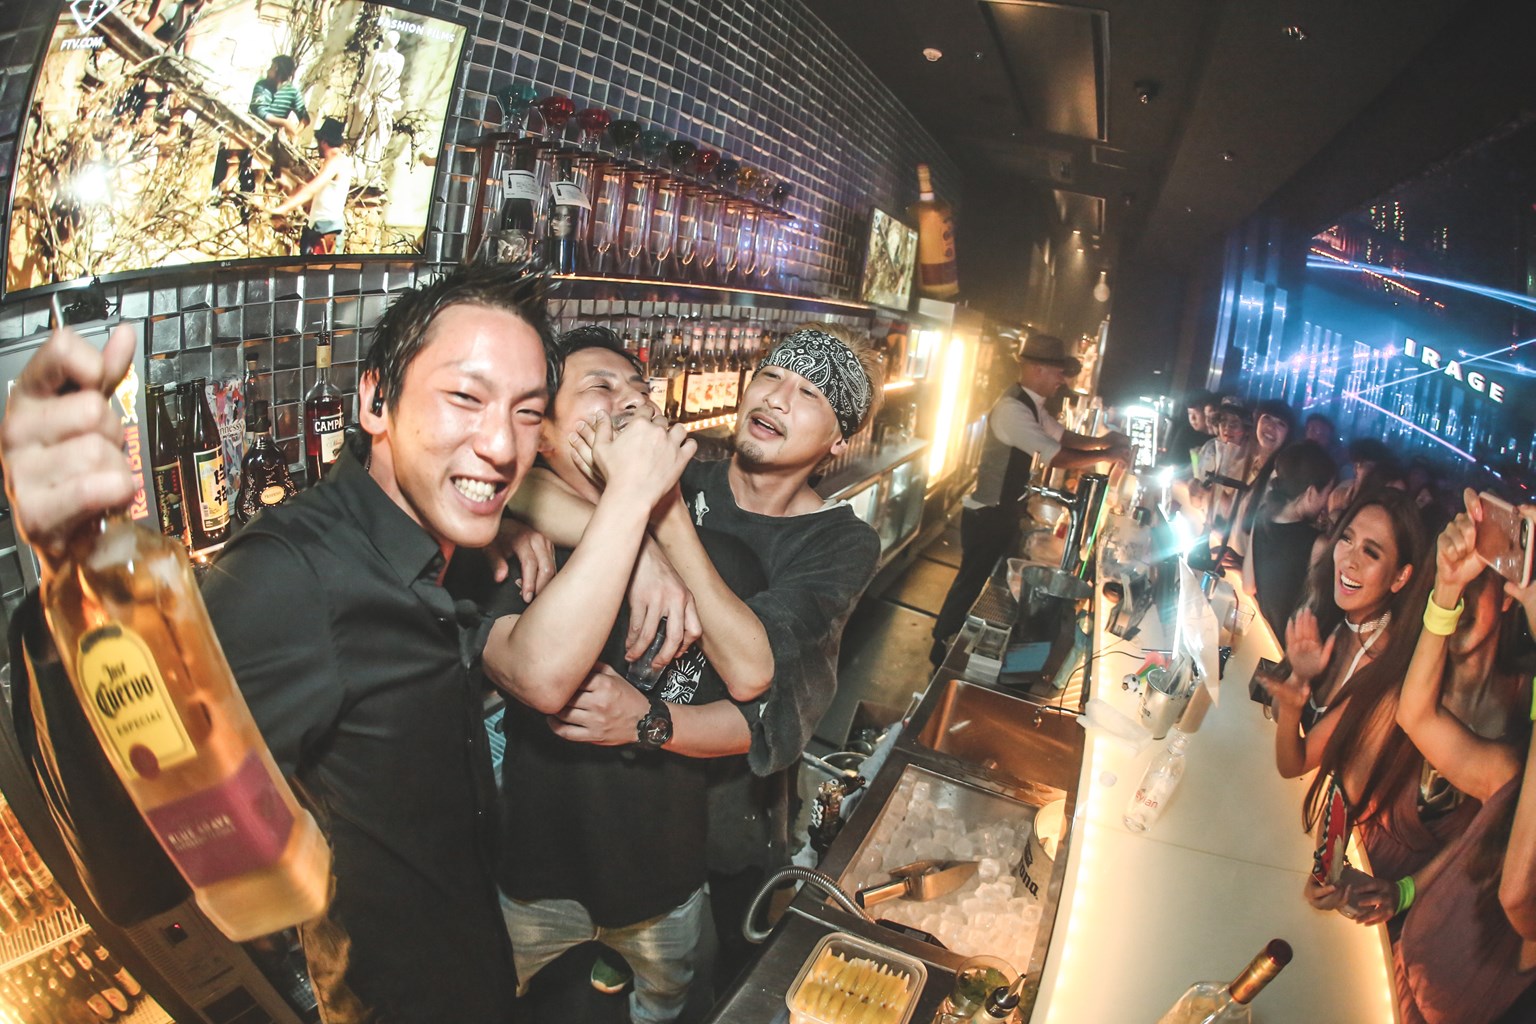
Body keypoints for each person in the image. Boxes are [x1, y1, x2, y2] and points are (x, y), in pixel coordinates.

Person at [0, 264, 670, 1023]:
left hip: (473, 964)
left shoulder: (434, 548)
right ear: (376, 401)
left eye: (526, 413)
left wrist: (557, 531)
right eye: (465, 397)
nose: (499, 443)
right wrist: (69, 594)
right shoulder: (294, 580)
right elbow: (139, 877)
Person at [504, 323, 888, 989]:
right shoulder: (688, 469)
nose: (777, 398)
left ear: (838, 440)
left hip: (730, 809)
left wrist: (662, 511)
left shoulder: (837, 543)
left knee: (716, 968)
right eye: (771, 376)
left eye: (810, 394)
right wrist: (513, 529)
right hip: (626, 814)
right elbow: (529, 481)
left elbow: (761, 692)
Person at [483, 326, 763, 1024]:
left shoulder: (722, 560)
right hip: (533, 875)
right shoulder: (517, 554)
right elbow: (525, 668)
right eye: (600, 387)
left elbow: (752, 716)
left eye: (641, 388)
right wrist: (628, 536)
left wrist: (647, 721)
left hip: (664, 881)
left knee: (665, 1008)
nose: (632, 400)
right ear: (544, 436)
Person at [1309, 493, 1536, 1023]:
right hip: (1397, 944)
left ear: (1507, 600)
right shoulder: (1417, 683)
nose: (1460, 608)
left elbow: (1512, 883)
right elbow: (1413, 718)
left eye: (1478, 586)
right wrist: (1448, 588)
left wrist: (1407, 890)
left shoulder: (1518, 721)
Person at [1261, 488, 1439, 882]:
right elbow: (1278, 710)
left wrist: (1294, 698)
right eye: (1347, 539)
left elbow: (1294, 764)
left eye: (1371, 553)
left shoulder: (1385, 671)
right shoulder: (1335, 617)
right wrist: (1298, 677)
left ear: (1400, 577)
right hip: (1286, 808)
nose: (1349, 560)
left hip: (1342, 844)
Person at [930, 333, 1130, 666]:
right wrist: (1107, 453)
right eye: (1058, 373)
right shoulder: (1012, 409)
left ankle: (960, 644)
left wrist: (1103, 442)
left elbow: (1062, 437)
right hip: (988, 513)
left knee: (986, 580)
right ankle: (941, 644)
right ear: (1037, 369)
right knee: (972, 581)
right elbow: (1055, 454)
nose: (1062, 380)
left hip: (1003, 511)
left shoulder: (1030, 404)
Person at [1240, 440, 1336, 638]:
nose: (1326, 502)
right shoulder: (1318, 544)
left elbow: (1248, 586)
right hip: (1283, 647)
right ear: (1311, 493)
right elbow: (1313, 616)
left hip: (1260, 633)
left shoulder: (1263, 515)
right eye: (1327, 493)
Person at [272, 117, 353, 255]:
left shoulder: (336, 162)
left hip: (326, 231)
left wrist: (282, 209)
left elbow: (311, 189)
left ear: (324, 141)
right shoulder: (339, 162)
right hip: (319, 229)